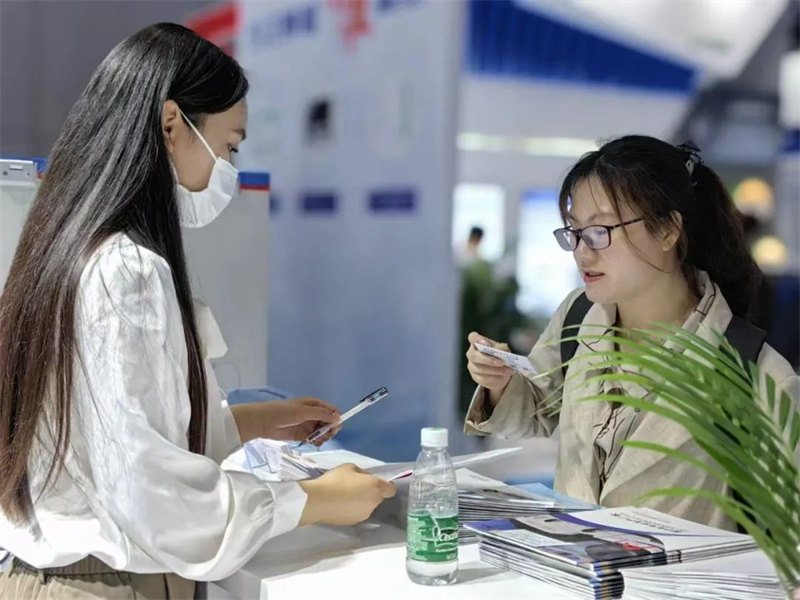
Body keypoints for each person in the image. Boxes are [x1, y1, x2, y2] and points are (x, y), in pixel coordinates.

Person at [0, 23, 395, 598]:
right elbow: (155, 497)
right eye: (230, 146)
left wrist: (251, 422)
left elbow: (109, 437)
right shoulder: (127, 271)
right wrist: (312, 499)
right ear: (171, 125)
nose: (228, 168)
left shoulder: (63, 248)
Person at [464, 135, 799, 531]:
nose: (582, 251)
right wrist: (501, 383)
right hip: (571, 562)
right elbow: (541, 408)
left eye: (600, 230)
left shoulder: (756, 375)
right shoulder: (578, 316)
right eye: (575, 231)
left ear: (667, 230)